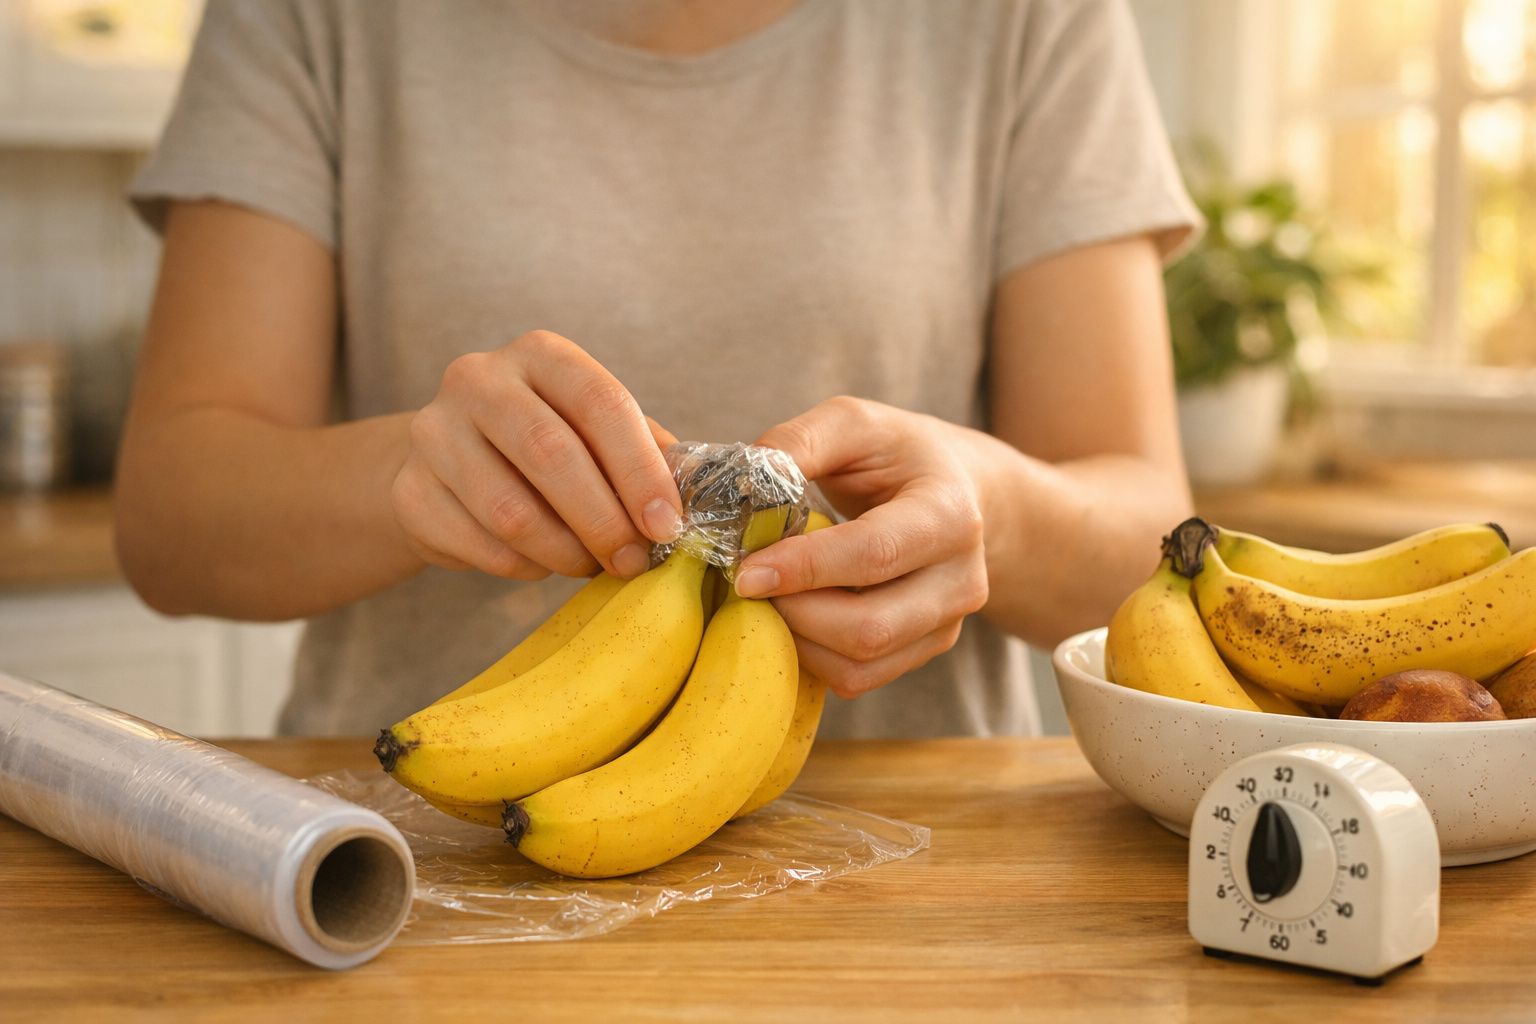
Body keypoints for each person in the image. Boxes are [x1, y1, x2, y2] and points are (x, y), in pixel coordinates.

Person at [114, 0, 1200, 739]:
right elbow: (170, 521)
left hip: (923, 881)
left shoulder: (1027, 19)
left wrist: (990, 511)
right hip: (405, 859)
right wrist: (410, 474)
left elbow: (1146, 554)